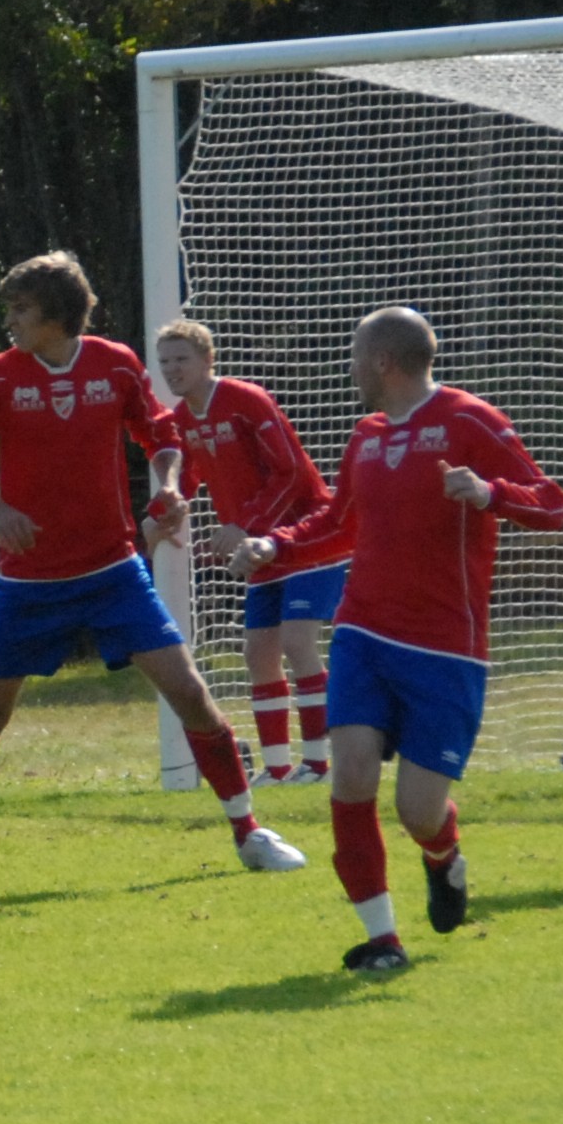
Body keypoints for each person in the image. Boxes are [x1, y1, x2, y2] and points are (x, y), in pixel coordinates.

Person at [0, 252, 306, 887]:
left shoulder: (116, 363)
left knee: (188, 693)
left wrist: (171, 485)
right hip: (30, 581)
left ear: (56, 316)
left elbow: (160, 437)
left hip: (112, 570)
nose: (10, 320)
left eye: (21, 309)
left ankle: (249, 829)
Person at [231, 308, 563, 975]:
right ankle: (381, 939)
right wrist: (277, 543)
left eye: (355, 355)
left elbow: (552, 503)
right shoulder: (365, 436)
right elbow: (338, 523)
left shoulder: (468, 420)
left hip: (445, 648)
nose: (349, 368)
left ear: (383, 361)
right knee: (350, 774)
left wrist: (486, 491)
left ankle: (442, 856)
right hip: (363, 633)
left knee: (417, 811)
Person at [150, 320, 349, 784]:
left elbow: (291, 475)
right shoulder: (181, 420)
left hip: (307, 536)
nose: (172, 369)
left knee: (298, 643)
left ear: (207, 360)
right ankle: (278, 768)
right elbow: (188, 477)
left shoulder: (246, 400)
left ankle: (319, 764)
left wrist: (244, 525)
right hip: (259, 550)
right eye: (164, 362)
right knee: (257, 652)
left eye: (181, 359)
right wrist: (169, 511)